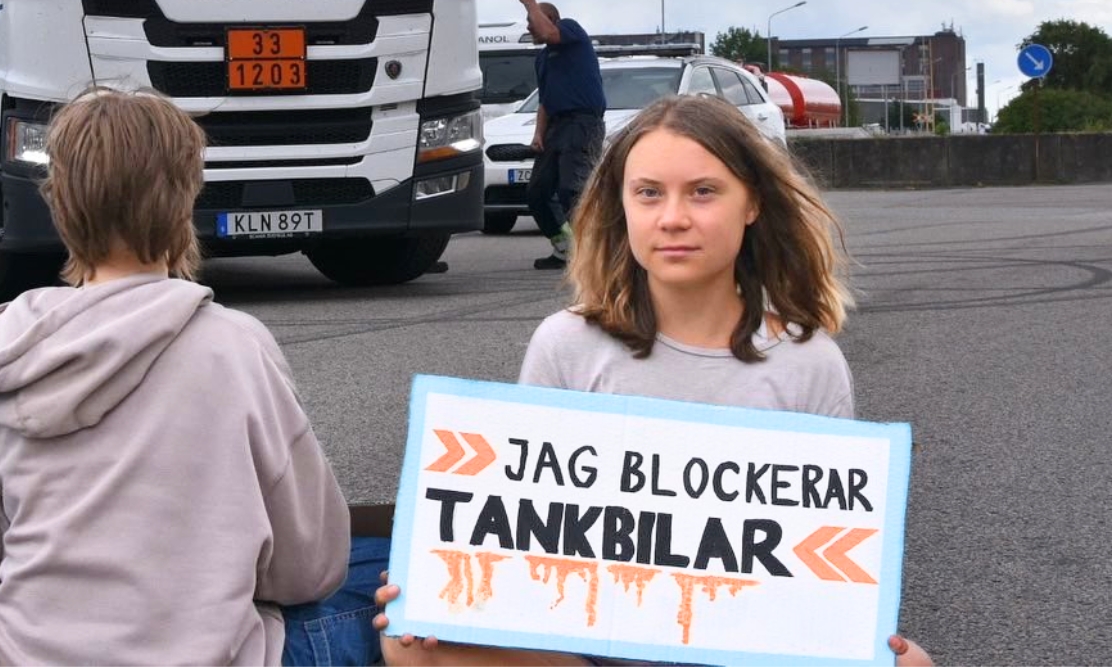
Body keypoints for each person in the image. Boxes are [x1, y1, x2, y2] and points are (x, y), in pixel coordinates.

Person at [374, 94, 933, 666]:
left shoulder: (808, 361)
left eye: (703, 191)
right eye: (649, 193)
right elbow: (523, 532)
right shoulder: (567, 344)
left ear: (753, 205)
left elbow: (820, 570)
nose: (672, 217)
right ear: (622, 204)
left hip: (741, 647)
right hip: (586, 651)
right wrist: (442, 582)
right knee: (408, 641)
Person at [0, 88, 350, 665]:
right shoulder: (235, 347)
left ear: (59, 201)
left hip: (19, 653)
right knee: (379, 578)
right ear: (184, 197)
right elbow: (310, 565)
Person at [520, 0, 606, 270]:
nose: (528, 24)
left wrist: (529, 3)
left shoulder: (571, 30)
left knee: (572, 189)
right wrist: (538, 134)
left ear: (552, 19)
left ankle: (597, 250)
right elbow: (545, 101)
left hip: (582, 122)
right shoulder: (542, 58)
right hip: (556, 127)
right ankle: (564, 248)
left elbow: (548, 33)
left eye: (532, 18)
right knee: (537, 192)